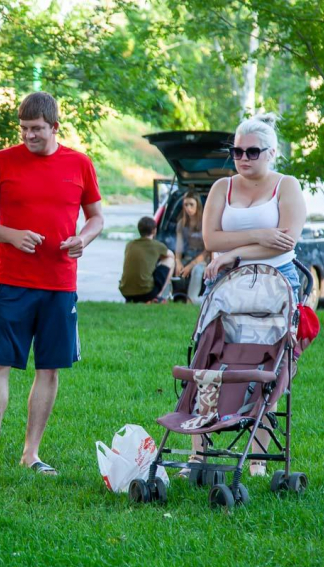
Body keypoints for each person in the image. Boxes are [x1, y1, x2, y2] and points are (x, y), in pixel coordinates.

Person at [0, 92, 104, 477]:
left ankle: (31, 453)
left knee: (50, 369)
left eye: (37, 129)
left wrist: (83, 239)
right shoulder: (1, 162)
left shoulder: (79, 164)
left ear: (55, 126)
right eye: (24, 129)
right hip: (12, 281)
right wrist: (10, 235)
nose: (29, 136)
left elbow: (95, 218)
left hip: (60, 283)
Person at [187, 112, 307, 478]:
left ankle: (257, 458)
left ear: (271, 153)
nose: (243, 158)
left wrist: (235, 253)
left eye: (252, 152)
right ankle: (197, 454)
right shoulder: (222, 188)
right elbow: (211, 241)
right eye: (237, 151)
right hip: (225, 283)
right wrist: (258, 237)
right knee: (211, 356)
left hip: (277, 280)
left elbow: (287, 241)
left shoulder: (286, 186)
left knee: (266, 362)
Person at [119, 216, 175, 303]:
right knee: (170, 260)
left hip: (126, 293)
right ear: (154, 230)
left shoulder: (129, 244)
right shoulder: (157, 246)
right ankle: (158, 296)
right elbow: (171, 255)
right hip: (146, 293)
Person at [173, 192, 209, 303]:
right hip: (188, 255)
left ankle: (191, 299)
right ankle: (165, 298)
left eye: (191, 204)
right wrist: (177, 261)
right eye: (186, 205)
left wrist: (191, 265)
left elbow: (208, 249)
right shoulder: (181, 223)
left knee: (197, 270)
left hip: (203, 258)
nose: (188, 208)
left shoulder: (205, 222)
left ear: (197, 205)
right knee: (171, 265)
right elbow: (178, 246)